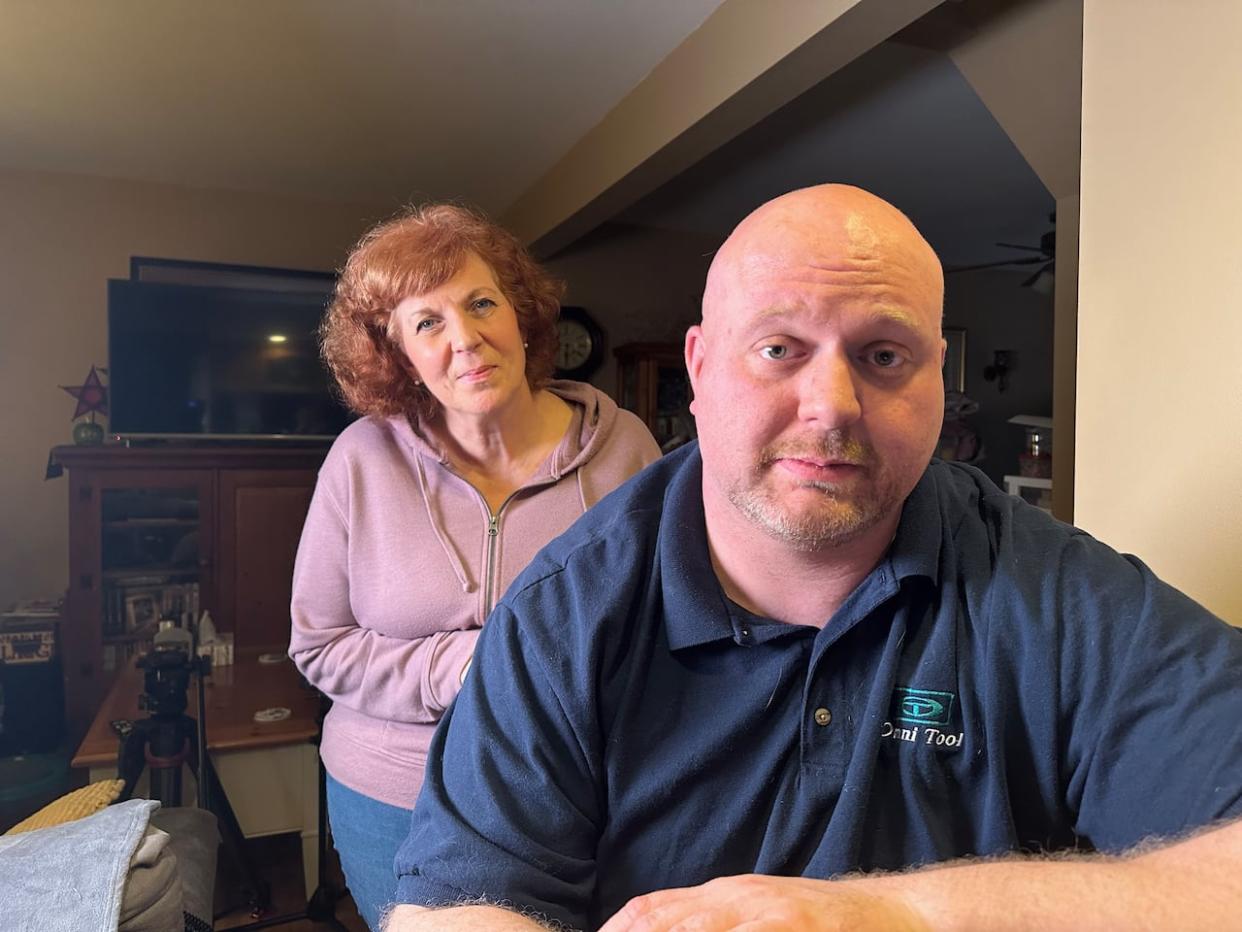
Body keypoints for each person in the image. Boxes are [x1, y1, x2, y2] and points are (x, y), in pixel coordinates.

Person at [384, 185, 1242, 931]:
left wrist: (908, 914)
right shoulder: (566, 612)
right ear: (700, 366)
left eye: (882, 356)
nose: (831, 406)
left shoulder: (1061, 599)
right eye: (779, 349)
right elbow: (456, 904)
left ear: (937, 378)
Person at [287, 203, 662, 930]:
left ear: (520, 314)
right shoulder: (361, 460)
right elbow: (319, 643)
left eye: (481, 302)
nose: (466, 339)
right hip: (390, 796)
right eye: (427, 322)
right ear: (397, 354)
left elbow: (659, 629)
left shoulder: (624, 450)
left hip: (578, 795)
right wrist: (463, 668)